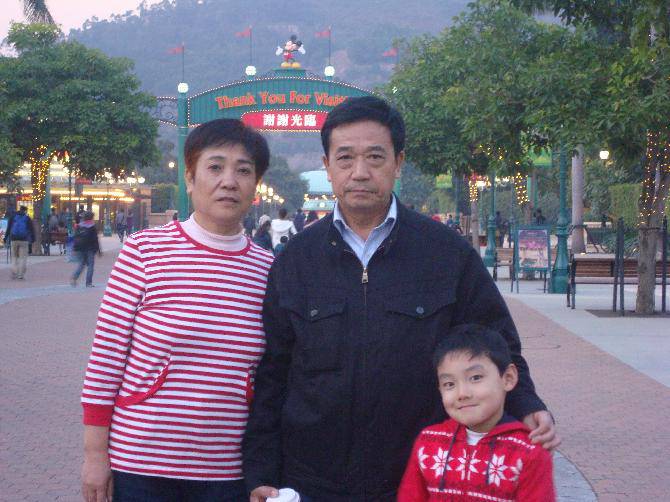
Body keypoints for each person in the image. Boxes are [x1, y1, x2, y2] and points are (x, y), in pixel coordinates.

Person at [243, 96, 558, 501]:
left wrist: (527, 403)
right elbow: (273, 374)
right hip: (312, 478)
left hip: (419, 476)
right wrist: (261, 471)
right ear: (327, 166)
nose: (360, 172)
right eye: (345, 158)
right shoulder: (296, 260)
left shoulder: (446, 252)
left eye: (375, 157)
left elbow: (497, 343)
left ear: (398, 162)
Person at [80, 119, 274, 502]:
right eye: (215, 167)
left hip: (227, 470)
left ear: (255, 186)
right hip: (141, 464)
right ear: (190, 179)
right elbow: (105, 360)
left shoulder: (268, 270)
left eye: (243, 170)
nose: (229, 181)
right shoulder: (144, 252)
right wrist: (95, 455)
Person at [398, 324, 555, 501]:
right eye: (449, 384)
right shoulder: (428, 443)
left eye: (475, 378)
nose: (462, 393)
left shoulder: (529, 452)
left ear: (508, 378)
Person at [70, 211, 101, 288]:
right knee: (90, 265)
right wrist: (98, 250)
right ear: (91, 217)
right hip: (90, 248)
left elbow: (75, 237)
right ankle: (88, 283)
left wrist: (74, 248)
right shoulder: (92, 226)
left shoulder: (79, 226)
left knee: (81, 264)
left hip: (80, 248)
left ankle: (74, 278)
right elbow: (95, 239)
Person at [3, 206, 34, 280]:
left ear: (19, 210)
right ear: (25, 211)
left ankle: (14, 272)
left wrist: (5, 238)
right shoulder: (27, 218)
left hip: (14, 239)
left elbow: (8, 228)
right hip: (24, 240)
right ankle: (21, 275)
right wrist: (33, 239)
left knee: (14, 257)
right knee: (23, 258)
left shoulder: (13, 217)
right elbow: (31, 229)